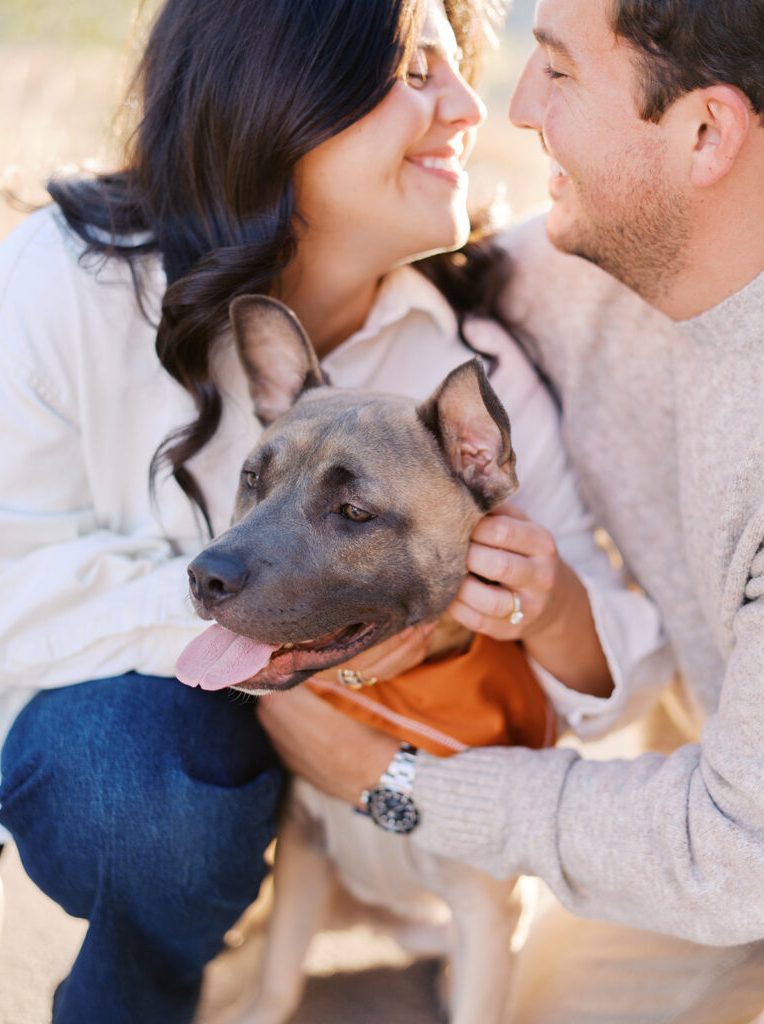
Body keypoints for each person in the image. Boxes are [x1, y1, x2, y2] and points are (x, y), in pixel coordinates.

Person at [0, 0, 669, 1020]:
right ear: (278, 95)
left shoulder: (464, 368)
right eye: (413, 72)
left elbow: (617, 682)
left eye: (460, 69)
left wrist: (543, 604)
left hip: (367, 809)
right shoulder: (67, 283)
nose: (464, 108)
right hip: (133, 750)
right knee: (132, 769)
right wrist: (266, 642)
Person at [258, 0, 764, 1020]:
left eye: (561, 72)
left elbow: (737, 849)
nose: (516, 107)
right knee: (536, 996)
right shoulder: (575, 269)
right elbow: (358, 265)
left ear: (705, 132)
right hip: (719, 799)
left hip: (734, 843)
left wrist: (387, 778)